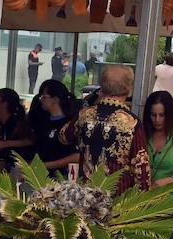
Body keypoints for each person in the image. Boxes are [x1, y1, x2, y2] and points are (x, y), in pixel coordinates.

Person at [61, 66, 151, 195]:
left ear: (101, 87)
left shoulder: (85, 115)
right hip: (118, 201)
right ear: (128, 89)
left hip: (86, 197)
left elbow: (64, 136)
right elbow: (141, 169)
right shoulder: (131, 122)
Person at [28, 80, 79, 171]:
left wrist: (47, 165)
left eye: (44, 97)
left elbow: (76, 156)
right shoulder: (42, 121)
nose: (41, 100)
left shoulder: (70, 125)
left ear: (55, 99)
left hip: (59, 177)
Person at [0, 88, 35, 167]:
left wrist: (3, 144)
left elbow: (30, 141)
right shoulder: (2, 123)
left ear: (4, 103)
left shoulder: (15, 122)